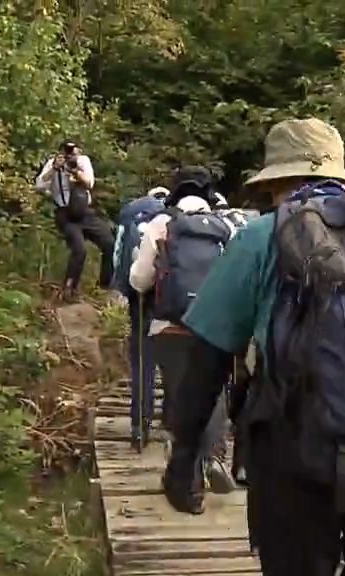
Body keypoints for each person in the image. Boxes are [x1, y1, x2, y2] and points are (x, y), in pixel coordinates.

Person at [162, 118, 345, 576]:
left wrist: (185, 455)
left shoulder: (261, 237)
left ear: (276, 181)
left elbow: (208, 355)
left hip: (297, 452)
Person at [130, 166, 238, 493]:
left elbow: (139, 280)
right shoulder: (227, 226)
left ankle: (189, 479)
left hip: (170, 325)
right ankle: (212, 456)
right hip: (214, 327)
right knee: (214, 392)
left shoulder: (161, 224)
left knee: (179, 396)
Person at [111, 186, 170, 449]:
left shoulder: (130, 213)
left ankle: (139, 423)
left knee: (142, 358)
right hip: (173, 299)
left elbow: (118, 255)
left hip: (139, 295)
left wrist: (121, 288)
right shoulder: (176, 217)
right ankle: (171, 419)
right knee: (173, 361)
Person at [34, 140, 115, 301]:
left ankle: (105, 285)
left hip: (84, 212)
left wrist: (74, 170)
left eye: (73, 151)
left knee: (110, 243)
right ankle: (69, 288)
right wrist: (55, 169)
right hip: (65, 214)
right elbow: (39, 186)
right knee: (79, 250)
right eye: (67, 151)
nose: (70, 154)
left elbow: (89, 183)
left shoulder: (82, 162)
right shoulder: (53, 164)